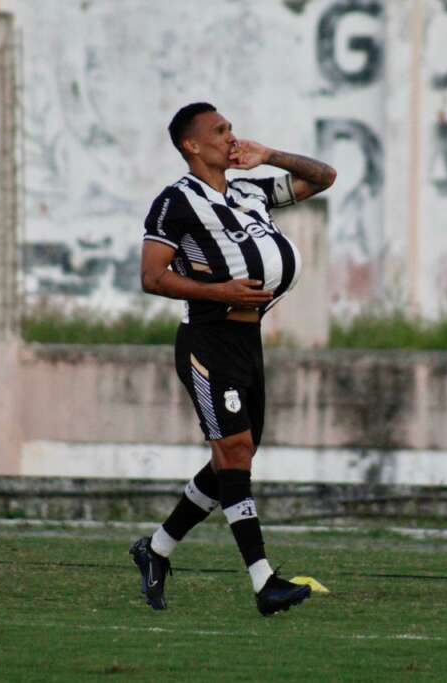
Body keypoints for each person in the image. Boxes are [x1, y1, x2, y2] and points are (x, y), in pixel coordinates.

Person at [130, 102, 336, 615]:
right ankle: (264, 581)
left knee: (233, 458)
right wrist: (217, 287)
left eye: (231, 129)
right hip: (208, 340)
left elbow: (324, 177)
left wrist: (269, 155)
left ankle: (155, 549)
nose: (230, 137)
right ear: (191, 146)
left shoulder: (248, 191)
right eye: (218, 132)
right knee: (236, 451)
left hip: (249, 340)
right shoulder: (175, 201)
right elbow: (153, 277)